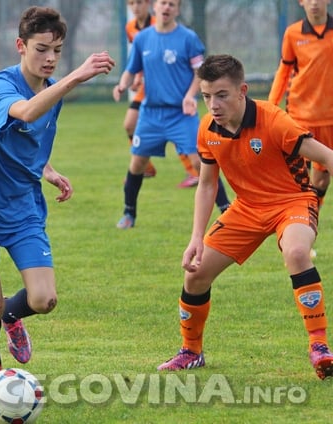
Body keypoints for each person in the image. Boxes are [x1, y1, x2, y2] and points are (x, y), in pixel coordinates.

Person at [0, 6, 115, 386]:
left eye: (57, 50)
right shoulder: (0, 86)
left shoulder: (51, 92)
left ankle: (13, 315)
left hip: (20, 208)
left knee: (44, 300)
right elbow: (23, 114)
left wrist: (47, 169)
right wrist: (75, 76)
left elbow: (28, 138)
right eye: (41, 49)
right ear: (20, 46)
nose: (50, 58)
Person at [157, 54, 333, 380]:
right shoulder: (207, 128)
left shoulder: (275, 121)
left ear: (242, 91)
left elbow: (327, 157)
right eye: (206, 96)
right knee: (195, 275)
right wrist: (196, 238)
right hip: (247, 208)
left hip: (292, 202)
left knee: (297, 252)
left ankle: (319, 347)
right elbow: (207, 185)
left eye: (222, 95)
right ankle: (191, 352)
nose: (213, 104)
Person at [113, 0, 231, 229]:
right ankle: (129, 213)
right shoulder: (142, 38)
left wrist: (189, 96)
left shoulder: (188, 38)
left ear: (177, 10)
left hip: (181, 114)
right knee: (138, 163)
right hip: (151, 114)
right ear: (155, 7)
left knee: (201, 163)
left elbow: (200, 73)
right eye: (163, 3)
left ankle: (226, 210)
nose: (167, 7)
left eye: (172, 4)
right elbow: (131, 70)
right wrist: (121, 85)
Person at [121, 0, 199, 188]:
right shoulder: (131, 28)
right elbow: (141, 59)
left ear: (149, 5)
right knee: (129, 124)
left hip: (169, 92)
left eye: (139, 3)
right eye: (132, 4)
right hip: (149, 89)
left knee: (179, 134)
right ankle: (145, 167)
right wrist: (134, 79)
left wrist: (189, 95)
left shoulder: (164, 25)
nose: (135, 7)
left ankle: (193, 172)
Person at [268, 0, 333, 205]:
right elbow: (284, 71)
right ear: (301, 2)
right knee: (298, 178)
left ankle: (311, 213)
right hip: (300, 116)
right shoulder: (293, 33)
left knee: (321, 180)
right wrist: (271, 106)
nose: (314, 3)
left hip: (329, 119)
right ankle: (301, 218)